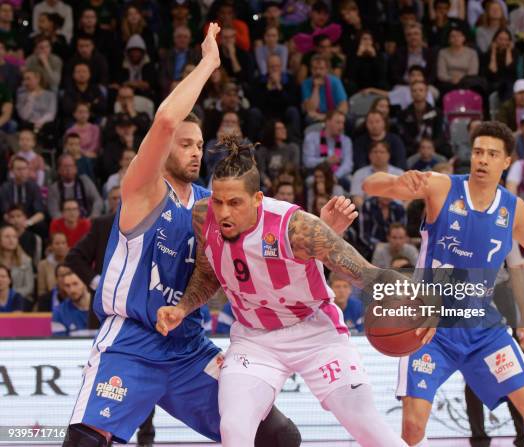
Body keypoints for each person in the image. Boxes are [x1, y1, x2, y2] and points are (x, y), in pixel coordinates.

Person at [61, 25, 301, 447]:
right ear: (164, 146)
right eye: (185, 143)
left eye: (199, 144)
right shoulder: (143, 190)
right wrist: (209, 62)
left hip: (189, 347)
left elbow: (255, 252)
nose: (195, 151)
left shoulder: (213, 204)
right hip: (132, 341)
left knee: (279, 436)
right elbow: (167, 118)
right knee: (86, 442)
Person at [363, 121, 524, 446]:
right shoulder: (440, 187)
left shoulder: (512, 208)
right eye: (478, 151)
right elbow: (371, 184)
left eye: (492, 154)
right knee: (412, 427)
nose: (482, 159)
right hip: (429, 327)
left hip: (483, 329)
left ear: (506, 162)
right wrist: (398, 180)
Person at [155, 135, 410, 447]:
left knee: (369, 430)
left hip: (315, 333)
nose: (223, 213)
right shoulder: (202, 215)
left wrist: (413, 295)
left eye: (235, 203)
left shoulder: (297, 227)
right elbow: (209, 274)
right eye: (219, 201)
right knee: (234, 429)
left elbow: (364, 273)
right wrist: (181, 308)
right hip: (254, 339)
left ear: (258, 199)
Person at [47, 154, 103, 219]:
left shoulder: (85, 181)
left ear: (76, 168)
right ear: (59, 170)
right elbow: (54, 211)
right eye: (65, 166)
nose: (68, 169)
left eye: (71, 166)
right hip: (65, 223)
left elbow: (98, 200)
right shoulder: (54, 188)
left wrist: (93, 216)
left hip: (88, 220)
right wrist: (67, 223)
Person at [351, 141, 404, 209]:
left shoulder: (399, 173)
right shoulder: (359, 174)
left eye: (382, 152)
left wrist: (402, 211)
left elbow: (409, 198)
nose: (378, 155)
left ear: (389, 155)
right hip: (370, 213)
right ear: (369, 155)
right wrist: (368, 211)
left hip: (397, 213)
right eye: (375, 152)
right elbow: (356, 198)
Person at [0, 225, 34, 304]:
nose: (11, 240)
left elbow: (29, 287)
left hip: (21, 298)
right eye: (7, 237)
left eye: (14, 237)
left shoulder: (26, 260)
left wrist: (11, 295)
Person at [51, 271, 90, 336]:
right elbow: (59, 343)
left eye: (75, 284)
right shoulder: (59, 312)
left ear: (85, 283)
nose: (72, 290)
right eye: (67, 286)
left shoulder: (102, 308)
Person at [37, 232, 69, 298]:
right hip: (50, 301)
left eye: (63, 243)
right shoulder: (43, 265)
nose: (61, 246)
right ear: (51, 246)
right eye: (57, 243)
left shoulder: (74, 263)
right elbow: (41, 291)